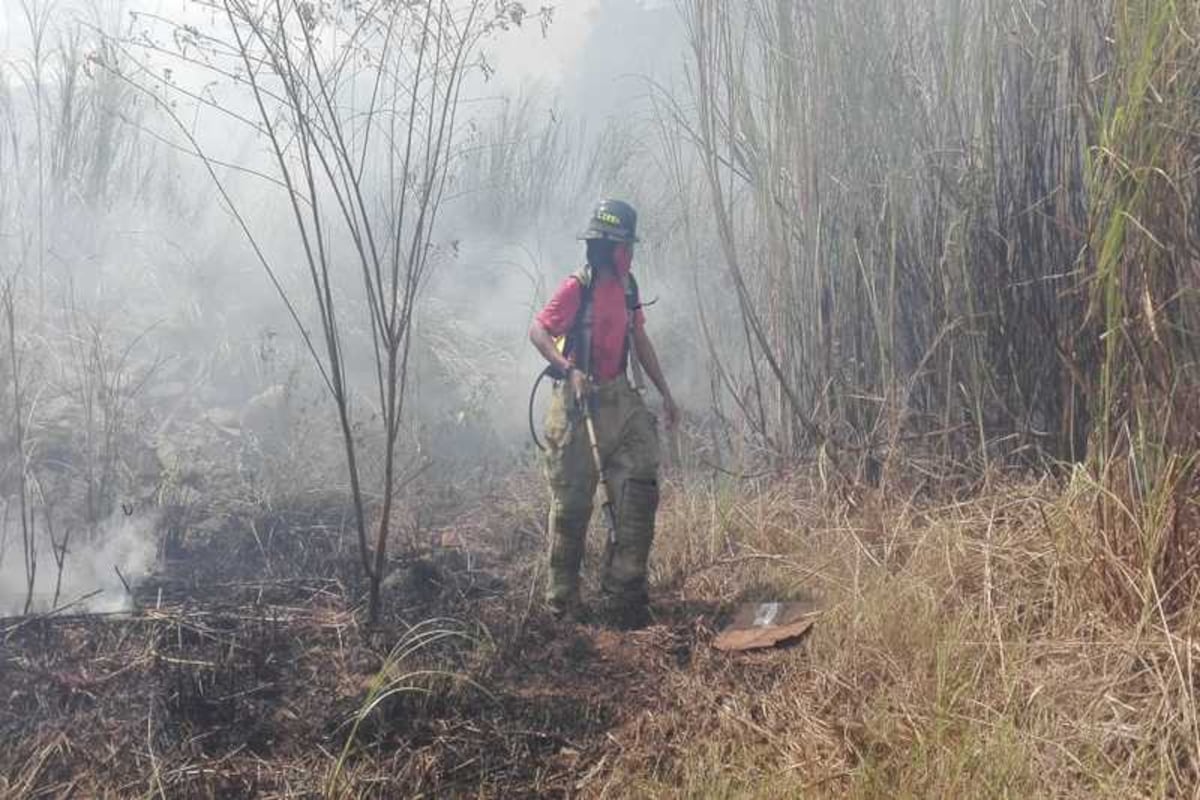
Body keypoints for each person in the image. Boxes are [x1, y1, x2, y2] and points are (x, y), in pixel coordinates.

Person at [528, 199, 679, 627]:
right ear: (608, 246)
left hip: (620, 399)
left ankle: (623, 595)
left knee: (640, 486)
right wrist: (569, 369)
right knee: (572, 508)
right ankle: (563, 606)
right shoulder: (578, 287)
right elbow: (538, 331)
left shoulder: (628, 286)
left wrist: (666, 394)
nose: (628, 253)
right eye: (623, 246)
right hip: (578, 405)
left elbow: (639, 340)